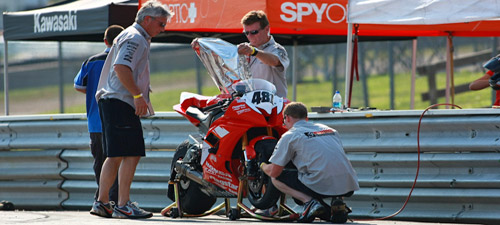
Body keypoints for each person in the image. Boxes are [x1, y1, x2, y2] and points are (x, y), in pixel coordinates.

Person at [90, 0, 173, 219]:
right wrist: (137, 95)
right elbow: (120, 67)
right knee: (131, 153)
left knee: (115, 154)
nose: (163, 29)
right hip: (120, 101)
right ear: (147, 19)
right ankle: (123, 204)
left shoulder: (133, 35)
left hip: (112, 100)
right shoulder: (135, 37)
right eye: (161, 24)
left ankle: (103, 202)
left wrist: (141, 89)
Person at [260, 102, 359, 222]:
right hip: (348, 183)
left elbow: (274, 172)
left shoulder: (290, 135)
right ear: (306, 118)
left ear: (287, 118)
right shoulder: (330, 130)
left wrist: (263, 165)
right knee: (325, 167)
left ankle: (310, 202)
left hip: (320, 183)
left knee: (276, 178)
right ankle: (338, 203)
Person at [74, 24, 124, 207]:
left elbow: (79, 86)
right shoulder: (124, 60)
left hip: (95, 121)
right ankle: (116, 201)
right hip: (118, 119)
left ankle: (103, 199)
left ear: (105, 41)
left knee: (100, 162)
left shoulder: (91, 61)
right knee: (118, 162)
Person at [237, 10, 289, 98]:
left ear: (267, 29)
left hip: (274, 106)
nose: (249, 36)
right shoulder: (243, 49)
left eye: (254, 32)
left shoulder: (277, 49)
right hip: (251, 104)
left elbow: (275, 61)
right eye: (246, 33)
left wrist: (254, 52)